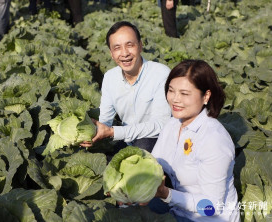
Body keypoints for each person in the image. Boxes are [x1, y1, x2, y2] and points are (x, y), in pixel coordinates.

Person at [148, 60, 240, 221]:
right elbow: (152, 164)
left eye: (184, 94)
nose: (175, 99)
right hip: (176, 210)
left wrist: (167, 194)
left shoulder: (214, 139)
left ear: (206, 96)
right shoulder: (172, 125)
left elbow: (212, 206)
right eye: (171, 90)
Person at [81, 21, 171, 153]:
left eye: (130, 45)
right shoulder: (110, 78)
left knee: (144, 146)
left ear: (140, 46)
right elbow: (105, 120)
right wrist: (93, 132)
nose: (124, 53)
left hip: (157, 141)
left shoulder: (161, 74)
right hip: (127, 139)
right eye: (117, 48)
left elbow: (160, 125)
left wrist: (112, 132)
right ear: (111, 53)